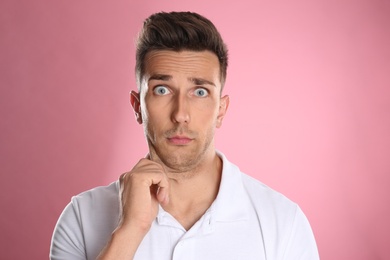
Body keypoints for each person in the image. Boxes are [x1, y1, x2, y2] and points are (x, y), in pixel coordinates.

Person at [50, 11, 319, 260]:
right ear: (137, 107)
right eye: (162, 90)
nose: (180, 114)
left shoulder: (284, 223)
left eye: (200, 92)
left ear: (221, 110)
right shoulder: (82, 218)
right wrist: (130, 230)